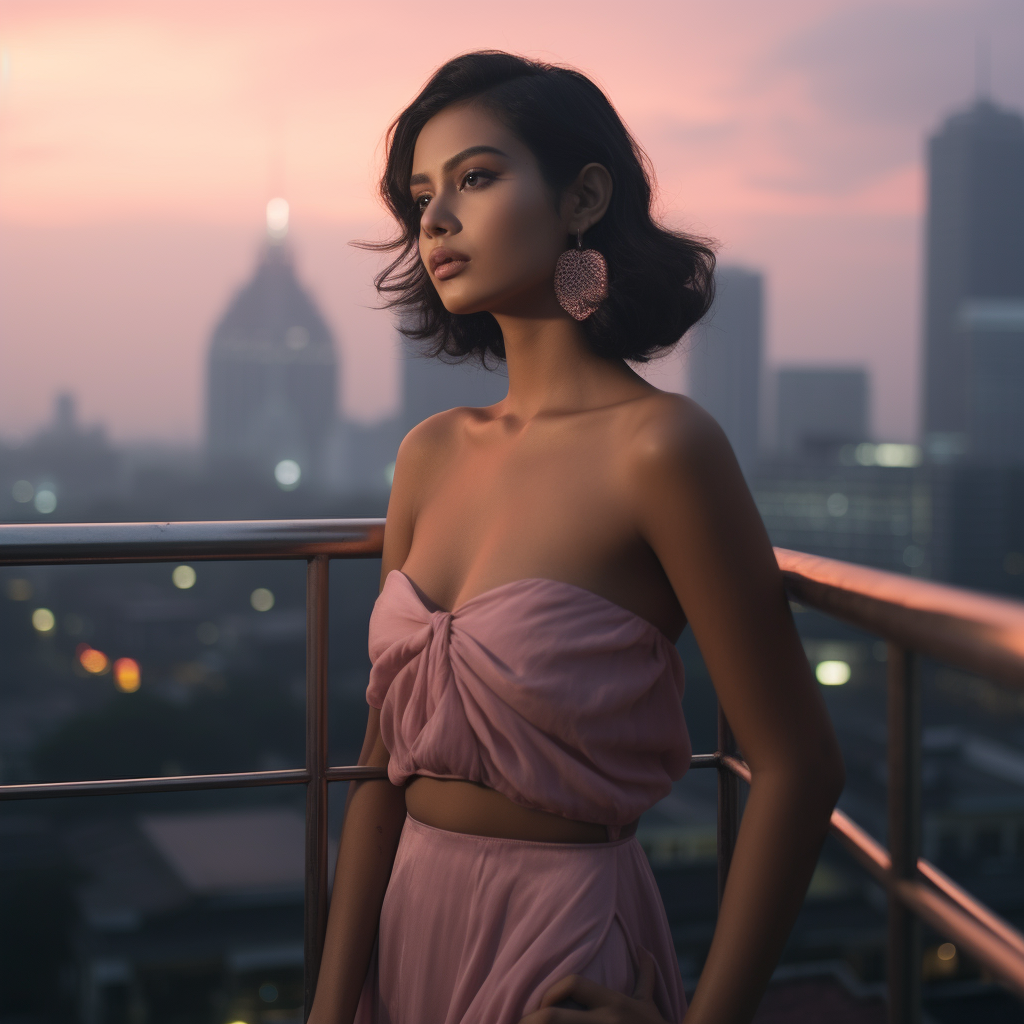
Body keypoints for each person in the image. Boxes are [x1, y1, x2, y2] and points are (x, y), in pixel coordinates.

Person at [308, 51, 844, 1024]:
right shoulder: (428, 453)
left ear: (581, 196)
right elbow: (380, 776)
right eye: (420, 195)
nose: (434, 220)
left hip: (560, 946)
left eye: (475, 177)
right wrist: (327, 1007)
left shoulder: (661, 449)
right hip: (406, 922)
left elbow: (799, 762)